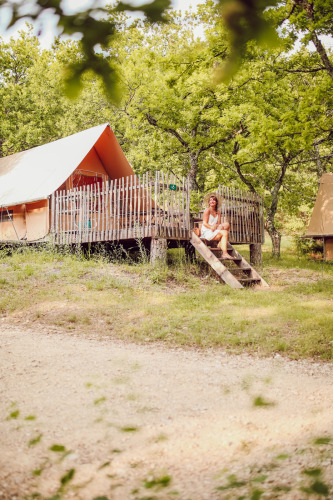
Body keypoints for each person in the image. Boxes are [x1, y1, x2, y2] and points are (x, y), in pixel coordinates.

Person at [200, 194, 233, 259]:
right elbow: (204, 223)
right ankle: (224, 253)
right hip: (207, 231)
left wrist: (216, 226)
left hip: (214, 229)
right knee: (225, 232)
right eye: (210, 200)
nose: (212, 201)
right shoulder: (207, 210)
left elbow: (218, 223)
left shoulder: (218, 212)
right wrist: (211, 227)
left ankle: (220, 243)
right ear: (209, 202)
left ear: (216, 202)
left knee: (227, 224)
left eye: (214, 200)